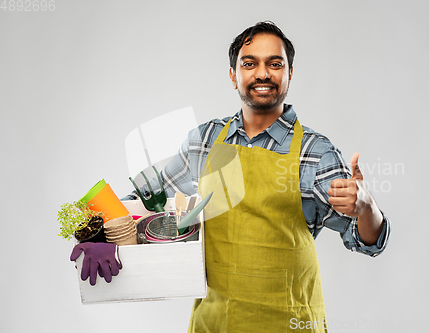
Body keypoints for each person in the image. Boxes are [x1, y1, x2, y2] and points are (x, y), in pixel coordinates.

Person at [79, 21, 391, 332]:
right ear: (233, 75)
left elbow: (366, 241)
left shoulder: (315, 152)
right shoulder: (205, 141)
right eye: (250, 63)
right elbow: (149, 202)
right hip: (215, 323)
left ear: (289, 74)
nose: (263, 73)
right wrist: (102, 234)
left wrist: (366, 207)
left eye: (275, 63)